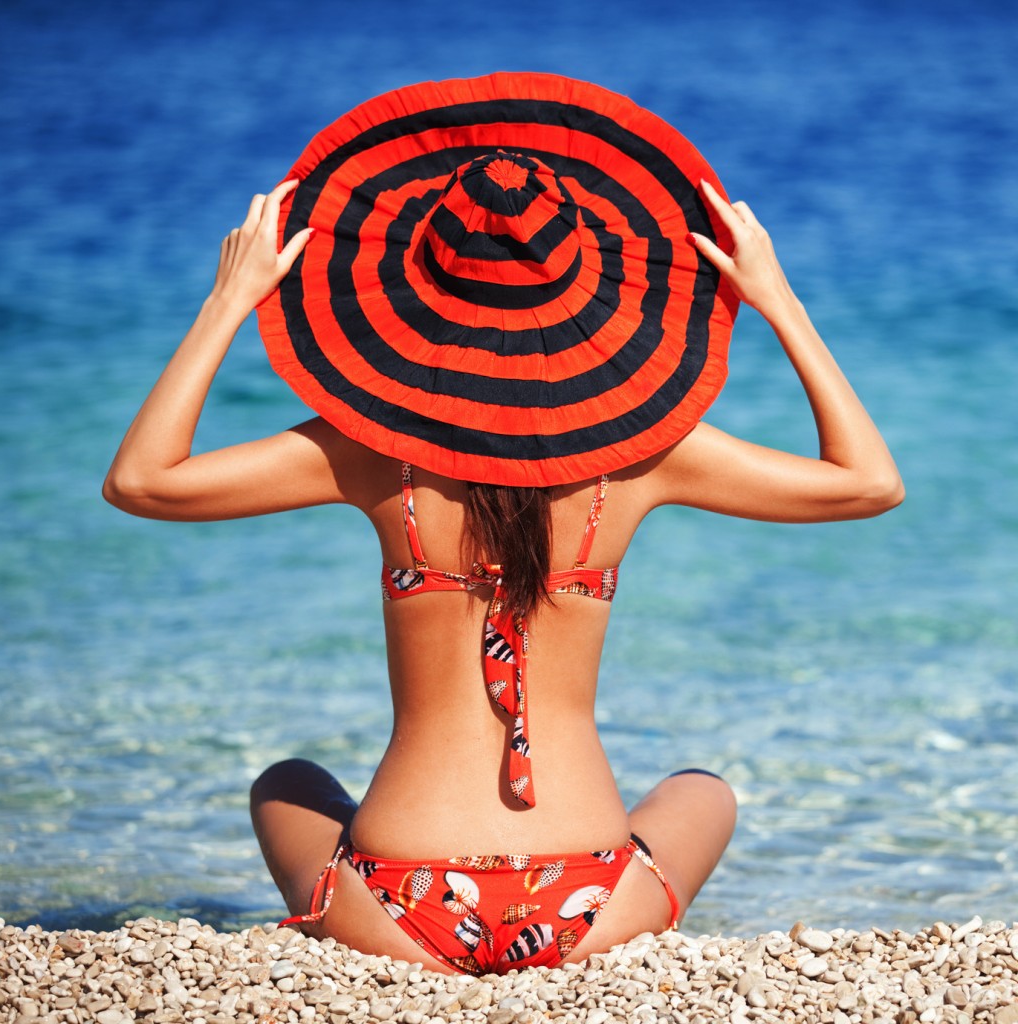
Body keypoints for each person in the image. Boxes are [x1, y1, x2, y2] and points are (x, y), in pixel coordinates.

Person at [103, 75, 903, 976]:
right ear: (594, 297)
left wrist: (230, 300)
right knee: (702, 792)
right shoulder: (646, 458)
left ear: (413, 299)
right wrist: (777, 300)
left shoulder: (372, 458)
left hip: (395, 905)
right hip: (588, 905)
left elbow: (142, 482)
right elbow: (868, 483)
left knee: (284, 784)